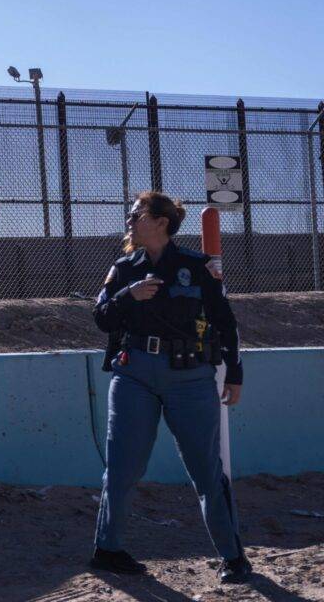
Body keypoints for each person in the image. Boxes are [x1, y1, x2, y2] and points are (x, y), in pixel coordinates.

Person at [90, 191, 250, 583]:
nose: (129, 221)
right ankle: (108, 550)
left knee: (206, 471)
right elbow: (101, 318)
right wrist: (129, 296)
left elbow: (226, 322)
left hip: (191, 378)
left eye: (136, 214)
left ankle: (233, 558)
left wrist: (235, 372)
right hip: (134, 375)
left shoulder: (197, 267)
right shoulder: (125, 268)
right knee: (122, 468)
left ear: (161, 222)